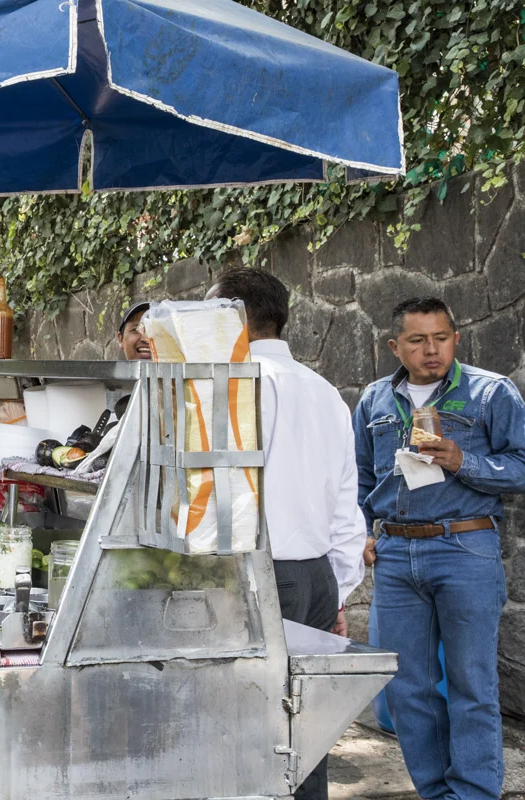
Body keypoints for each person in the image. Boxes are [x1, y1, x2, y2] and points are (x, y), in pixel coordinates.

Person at [353, 297, 525, 800]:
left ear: (455, 338)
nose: (432, 349)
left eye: (441, 338)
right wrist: (363, 531)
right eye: (418, 340)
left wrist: (461, 460)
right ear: (395, 346)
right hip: (395, 553)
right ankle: (436, 792)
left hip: (465, 546)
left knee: (472, 684)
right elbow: (358, 477)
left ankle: (473, 794)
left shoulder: (490, 392)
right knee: (406, 687)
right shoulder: (374, 400)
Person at [207, 269, 366, 800]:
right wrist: (337, 591)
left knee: (248, 729)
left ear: (234, 318)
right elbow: (346, 504)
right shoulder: (325, 392)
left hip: (258, 575)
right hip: (316, 574)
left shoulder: (241, 383)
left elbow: (227, 493)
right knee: (303, 730)